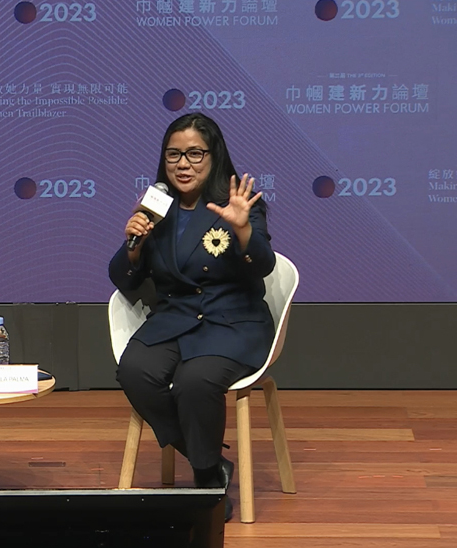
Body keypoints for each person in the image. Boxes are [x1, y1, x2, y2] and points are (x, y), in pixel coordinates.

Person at [109, 113, 276, 521]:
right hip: (176, 317)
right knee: (134, 370)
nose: (183, 164)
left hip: (232, 320)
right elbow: (125, 280)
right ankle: (209, 463)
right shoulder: (156, 210)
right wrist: (133, 245)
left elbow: (263, 266)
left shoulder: (238, 202)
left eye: (195, 154)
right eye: (174, 155)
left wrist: (242, 232)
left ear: (213, 156)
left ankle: (206, 483)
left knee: (194, 381)